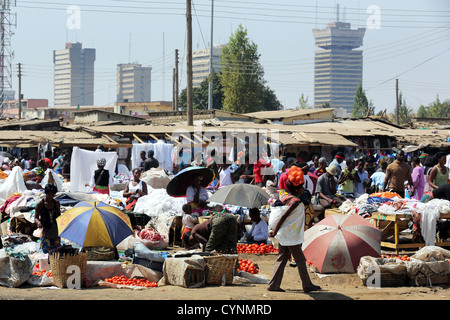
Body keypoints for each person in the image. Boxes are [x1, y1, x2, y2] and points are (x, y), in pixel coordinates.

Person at [267, 166, 321, 293]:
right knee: (300, 259)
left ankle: (273, 284)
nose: (303, 188)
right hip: (290, 235)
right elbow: (284, 215)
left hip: (284, 233)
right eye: (302, 186)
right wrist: (275, 231)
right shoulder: (295, 201)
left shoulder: (285, 197)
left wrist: (276, 231)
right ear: (297, 189)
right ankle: (307, 285)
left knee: (282, 257)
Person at [34, 184, 61, 254]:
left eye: (53, 194)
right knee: (46, 251)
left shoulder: (56, 203)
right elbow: (36, 217)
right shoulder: (40, 204)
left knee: (56, 251)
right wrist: (38, 222)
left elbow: (59, 216)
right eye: (49, 194)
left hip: (55, 230)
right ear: (46, 193)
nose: (51, 196)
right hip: (45, 230)